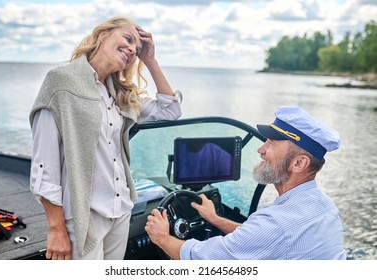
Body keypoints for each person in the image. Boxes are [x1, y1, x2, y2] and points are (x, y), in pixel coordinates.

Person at [29, 16, 182, 260]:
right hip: (83, 215)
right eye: (128, 39)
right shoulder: (61, 81)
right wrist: (56, 229)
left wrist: (150, 61)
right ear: (103, 35)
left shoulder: (120, 93)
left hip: (120, 210)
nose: (132, 49)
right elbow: (44, 167)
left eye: (137, 49)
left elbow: (171, 111)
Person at [145, 106, 346, 260]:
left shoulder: (277, 223)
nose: (261, 149)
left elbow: (203, 261)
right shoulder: (326, 207)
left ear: (299, 163)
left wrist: (162, 238)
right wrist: (215, 219)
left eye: (271, 144)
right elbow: (256, 239)